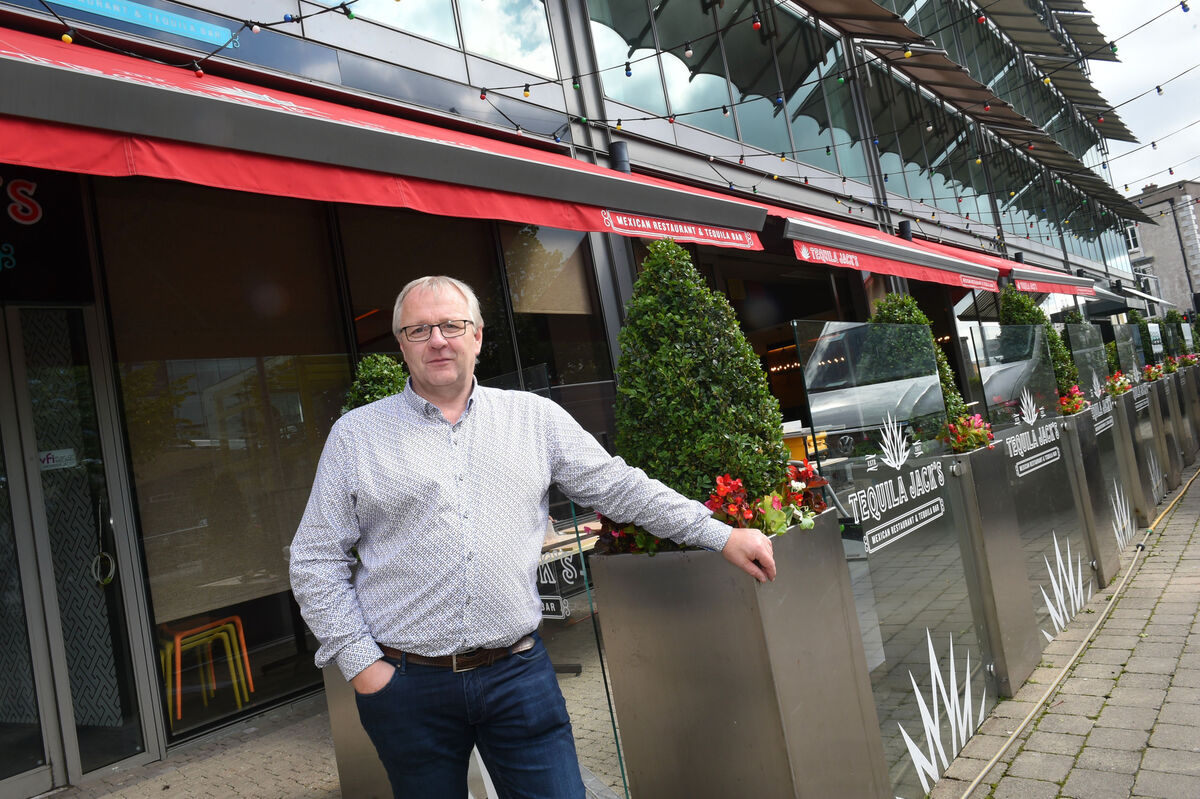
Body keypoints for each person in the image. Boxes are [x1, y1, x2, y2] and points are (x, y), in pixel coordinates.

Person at [289, 275, 776, 798]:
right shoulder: (357, 435)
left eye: (451, 325)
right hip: (409, 686)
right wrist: (363, 666)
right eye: (418, 329)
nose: (437, 340)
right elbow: (315, 558)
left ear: (477, 336)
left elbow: (619, 487)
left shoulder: (534, 419)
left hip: (517, 676)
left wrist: (718, 534)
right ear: (402, 343)